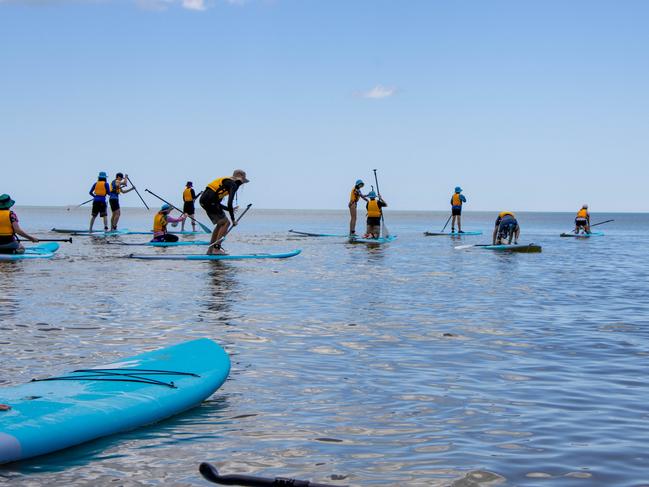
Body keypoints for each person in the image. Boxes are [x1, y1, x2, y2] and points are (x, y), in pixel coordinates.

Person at [199, 169, 250, 255]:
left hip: (205, 201)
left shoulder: (226, 183)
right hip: (209, 201)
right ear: (239, 179)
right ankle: (216, 249)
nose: (241, 184)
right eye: (242, 182)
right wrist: (233, 219)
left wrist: (229, 209)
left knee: (220, 223)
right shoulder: (233, 184)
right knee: (226, 222)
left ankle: (210, 250)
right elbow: (229, 203)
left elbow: (217, 202)